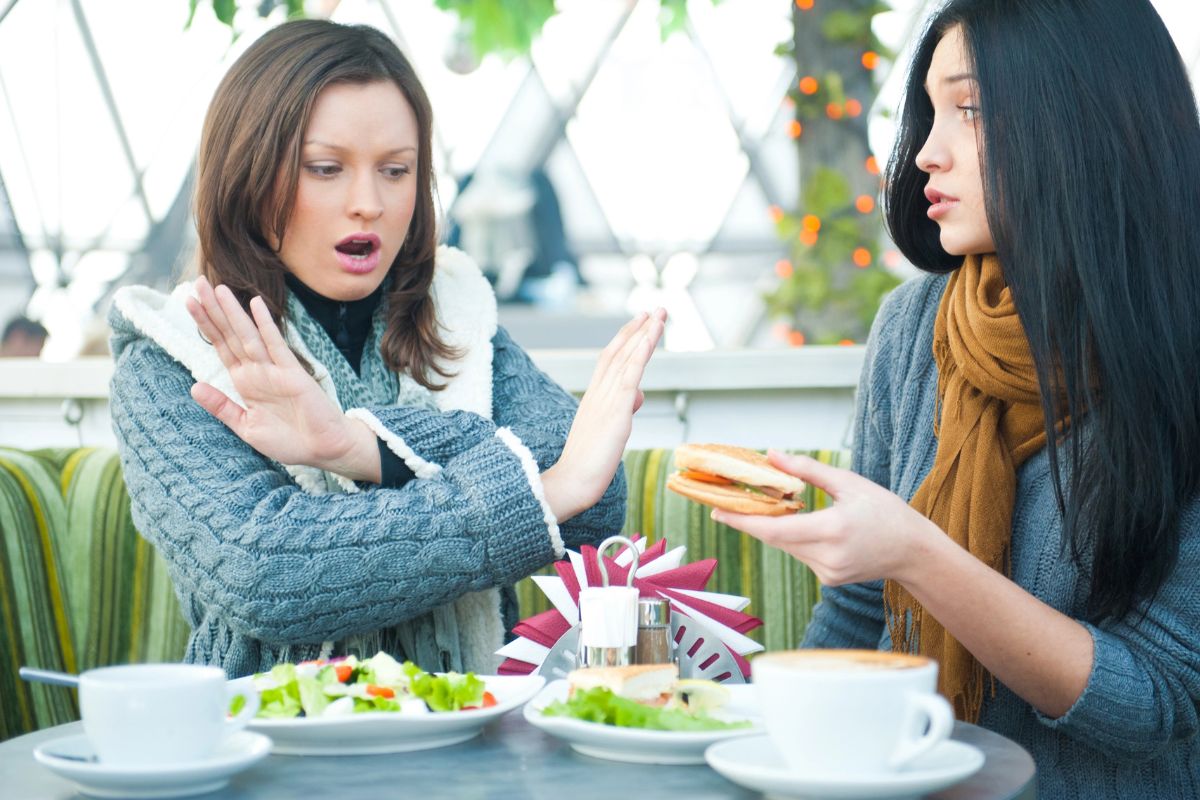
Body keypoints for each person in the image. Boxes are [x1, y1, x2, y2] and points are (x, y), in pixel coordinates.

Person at [715, 1, 1200, 797]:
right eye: (929, 113)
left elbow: (1154, 702)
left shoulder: (1180, 347)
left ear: (1084, 118)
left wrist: (915, 552)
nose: (925, 155)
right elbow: (856, 623)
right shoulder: (913, 330)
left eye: (969, 110)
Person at [107, 19, 664, 680]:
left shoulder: (457, 311)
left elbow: (588, 498)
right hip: (271, 751)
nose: (368, 203)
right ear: (249, 174)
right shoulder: (165, 362)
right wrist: (532, 491)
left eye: (396, 170)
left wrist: (360, 448)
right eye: (325, 168)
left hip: (474, 737)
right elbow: (270, 572)